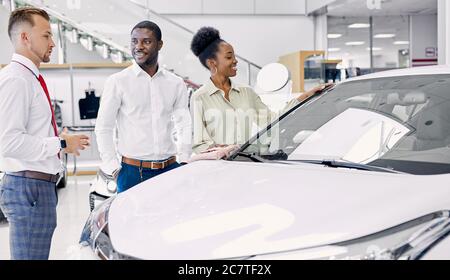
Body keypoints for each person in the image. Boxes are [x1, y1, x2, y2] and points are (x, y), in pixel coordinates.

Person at [0, 7, 90, 260]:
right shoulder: (17, 79)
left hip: (36, 187)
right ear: (25, 38)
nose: (53, 43)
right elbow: (8, 142)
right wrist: (60, 141)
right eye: (47, 36)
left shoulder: (29, 77)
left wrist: (59, 142)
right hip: (28, 188)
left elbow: (27, 134)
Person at [190, 26, 332, 154]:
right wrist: (219, 150)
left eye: (234, 56)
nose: (235, 60)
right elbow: (199, 144)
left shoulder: (246, 92)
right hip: (216, 170)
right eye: (229, 57)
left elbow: (272, 121)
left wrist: (305, 96)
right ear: (212, 63)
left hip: (243, 164)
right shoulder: (199, 97)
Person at [95, 21, 191, 193]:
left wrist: (184, 159)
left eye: (146, 41)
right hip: (132, 173)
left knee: (172, 220)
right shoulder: (118, 82)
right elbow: (103, 128)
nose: (138, 46)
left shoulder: (176, 84)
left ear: (160, 45)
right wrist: (114, 169)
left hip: (170, 169)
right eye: (134, 41)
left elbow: (183, 124)